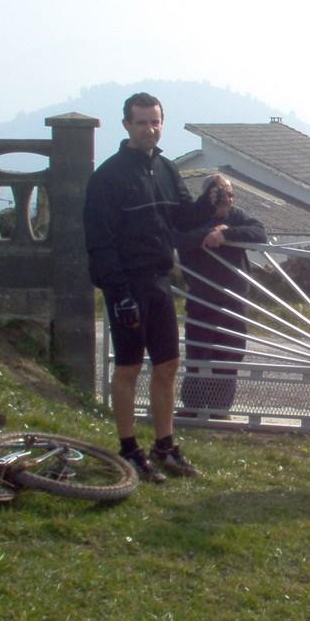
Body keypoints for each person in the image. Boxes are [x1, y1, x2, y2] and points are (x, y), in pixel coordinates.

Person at [83, 92, 218, 483]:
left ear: (162, 123)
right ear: (127, 125)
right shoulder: (107, 177)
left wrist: (210, 202)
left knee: (167, 365)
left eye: (155, 122)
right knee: (127, 368)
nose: (149, 129)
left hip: (160, 280)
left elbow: (182, 218)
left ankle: (164, 446)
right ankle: (129, 449)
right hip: (126, 284)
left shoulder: (166, 169)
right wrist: (118, 292)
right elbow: (99, 243)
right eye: (141, 122)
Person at [177, 174, 266, 417]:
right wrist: (206, 234)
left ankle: (219, 409)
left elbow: (259, 232)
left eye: (230, 194)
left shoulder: (237, 216)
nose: (228, 199)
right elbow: (179, 238)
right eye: (221, 193)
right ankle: (193, 407)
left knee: (229, 354)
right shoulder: (194, 216)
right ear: (208, 195)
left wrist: (228, 234)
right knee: (198, 351)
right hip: (201, 296)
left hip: (233, 298)